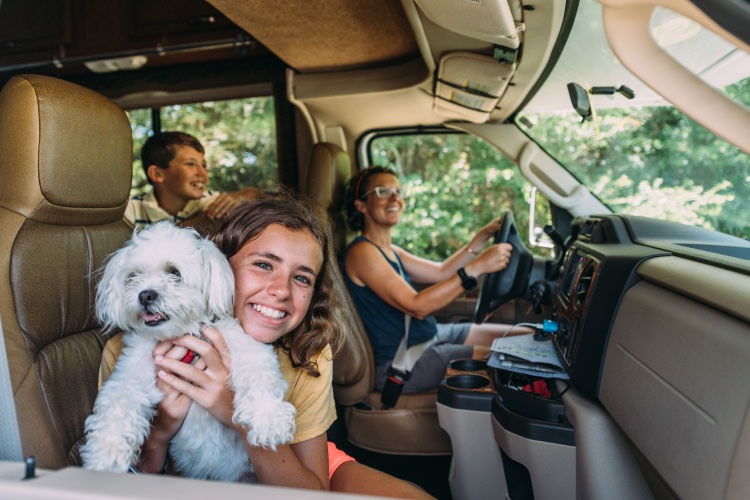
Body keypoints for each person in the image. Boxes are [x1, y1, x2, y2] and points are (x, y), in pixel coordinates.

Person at [99, 196, 434, 498]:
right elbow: (130, 479)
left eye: (302, 278)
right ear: (220, 266)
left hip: (295, 459)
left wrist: (238, 417)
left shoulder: (309, 351)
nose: (281, 290)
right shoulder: (132, 347)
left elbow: (310, 490)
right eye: (263, 265)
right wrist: (160, 431)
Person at [342, 166, 531, 394]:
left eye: (398, 191)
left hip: (428, 336)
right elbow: (417, 306)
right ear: (361, 205)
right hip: (404, 361)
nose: (395, 197)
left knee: (524, 337)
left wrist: (479, 240)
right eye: (383, 191)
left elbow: (442, 271)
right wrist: (478, 266)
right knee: (512, 356)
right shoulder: (362, 252)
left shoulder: (389, 250)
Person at [125, 131, 261, 230]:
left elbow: (259, 196)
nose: (203, 173)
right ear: (157, 174)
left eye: (203, 165)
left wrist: (241, 196)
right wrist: (203, 220)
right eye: (190, 164)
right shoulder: (132, 210)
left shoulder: (210, 202)